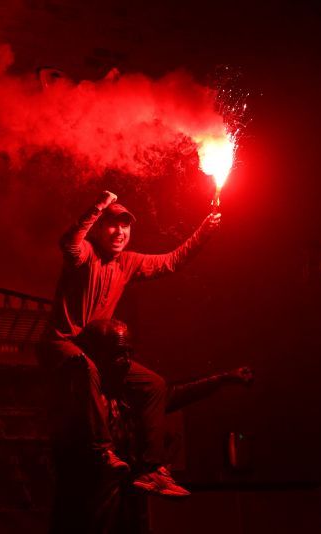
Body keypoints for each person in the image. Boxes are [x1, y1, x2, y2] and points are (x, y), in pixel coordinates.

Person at [39, 190, 221, 497]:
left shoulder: (129, 263)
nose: (119, 232)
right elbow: (69, 243)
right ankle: (102, 452)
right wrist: (98, 206)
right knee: (86, 369)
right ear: (99, 228)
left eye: (125, 226)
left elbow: (172, 262)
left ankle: (151, 470)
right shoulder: (85, 254)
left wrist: (204, 231)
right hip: (62, 344)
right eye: (112, 224)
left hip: (96, 350)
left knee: (155, 385)